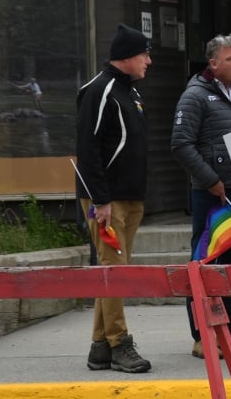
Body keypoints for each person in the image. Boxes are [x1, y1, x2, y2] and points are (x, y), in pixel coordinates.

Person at [170, 33, 231, 359]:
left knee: (230, 265)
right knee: (205, 264)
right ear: (213, 63)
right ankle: (201, 335)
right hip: (211, 194)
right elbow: (181, 145)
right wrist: (210, 180)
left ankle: (230, 329)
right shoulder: (194, 96)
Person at [75, 23, 153, 373]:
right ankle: (120, 344)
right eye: (144, 54)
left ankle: (99, 348)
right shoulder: (98, 90)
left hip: (129, 198)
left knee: (112, 273)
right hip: (107, 202)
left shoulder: (131, 91)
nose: (149, 60)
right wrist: (100, 200)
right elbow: (87, 149)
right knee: (114, 273)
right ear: (127, 56)